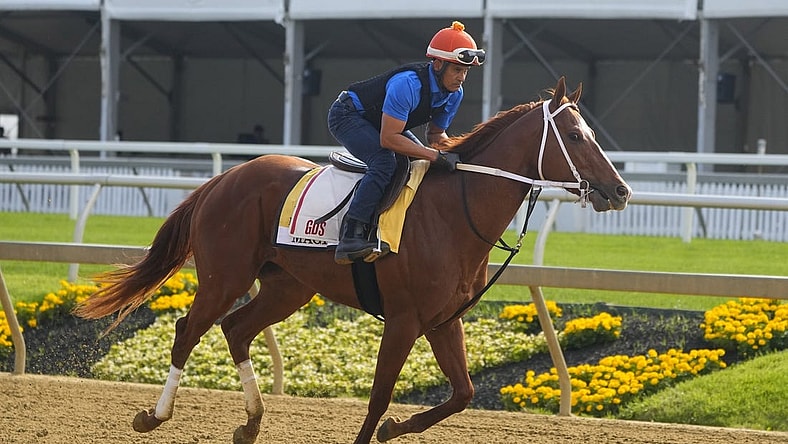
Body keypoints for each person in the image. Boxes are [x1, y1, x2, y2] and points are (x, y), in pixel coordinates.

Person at [327, 20, 485, 265]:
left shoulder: (455, 94)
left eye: (465, 71)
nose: (462, 78)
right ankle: (351, 234)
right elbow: (389, 139)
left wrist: (456, 154)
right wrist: (433, 156)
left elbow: (435, 137)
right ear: (438, 64)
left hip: (382, 123)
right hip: (348, 115)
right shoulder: (407, 84)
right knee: (384, 162)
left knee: (416, 161)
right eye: (457, 70)